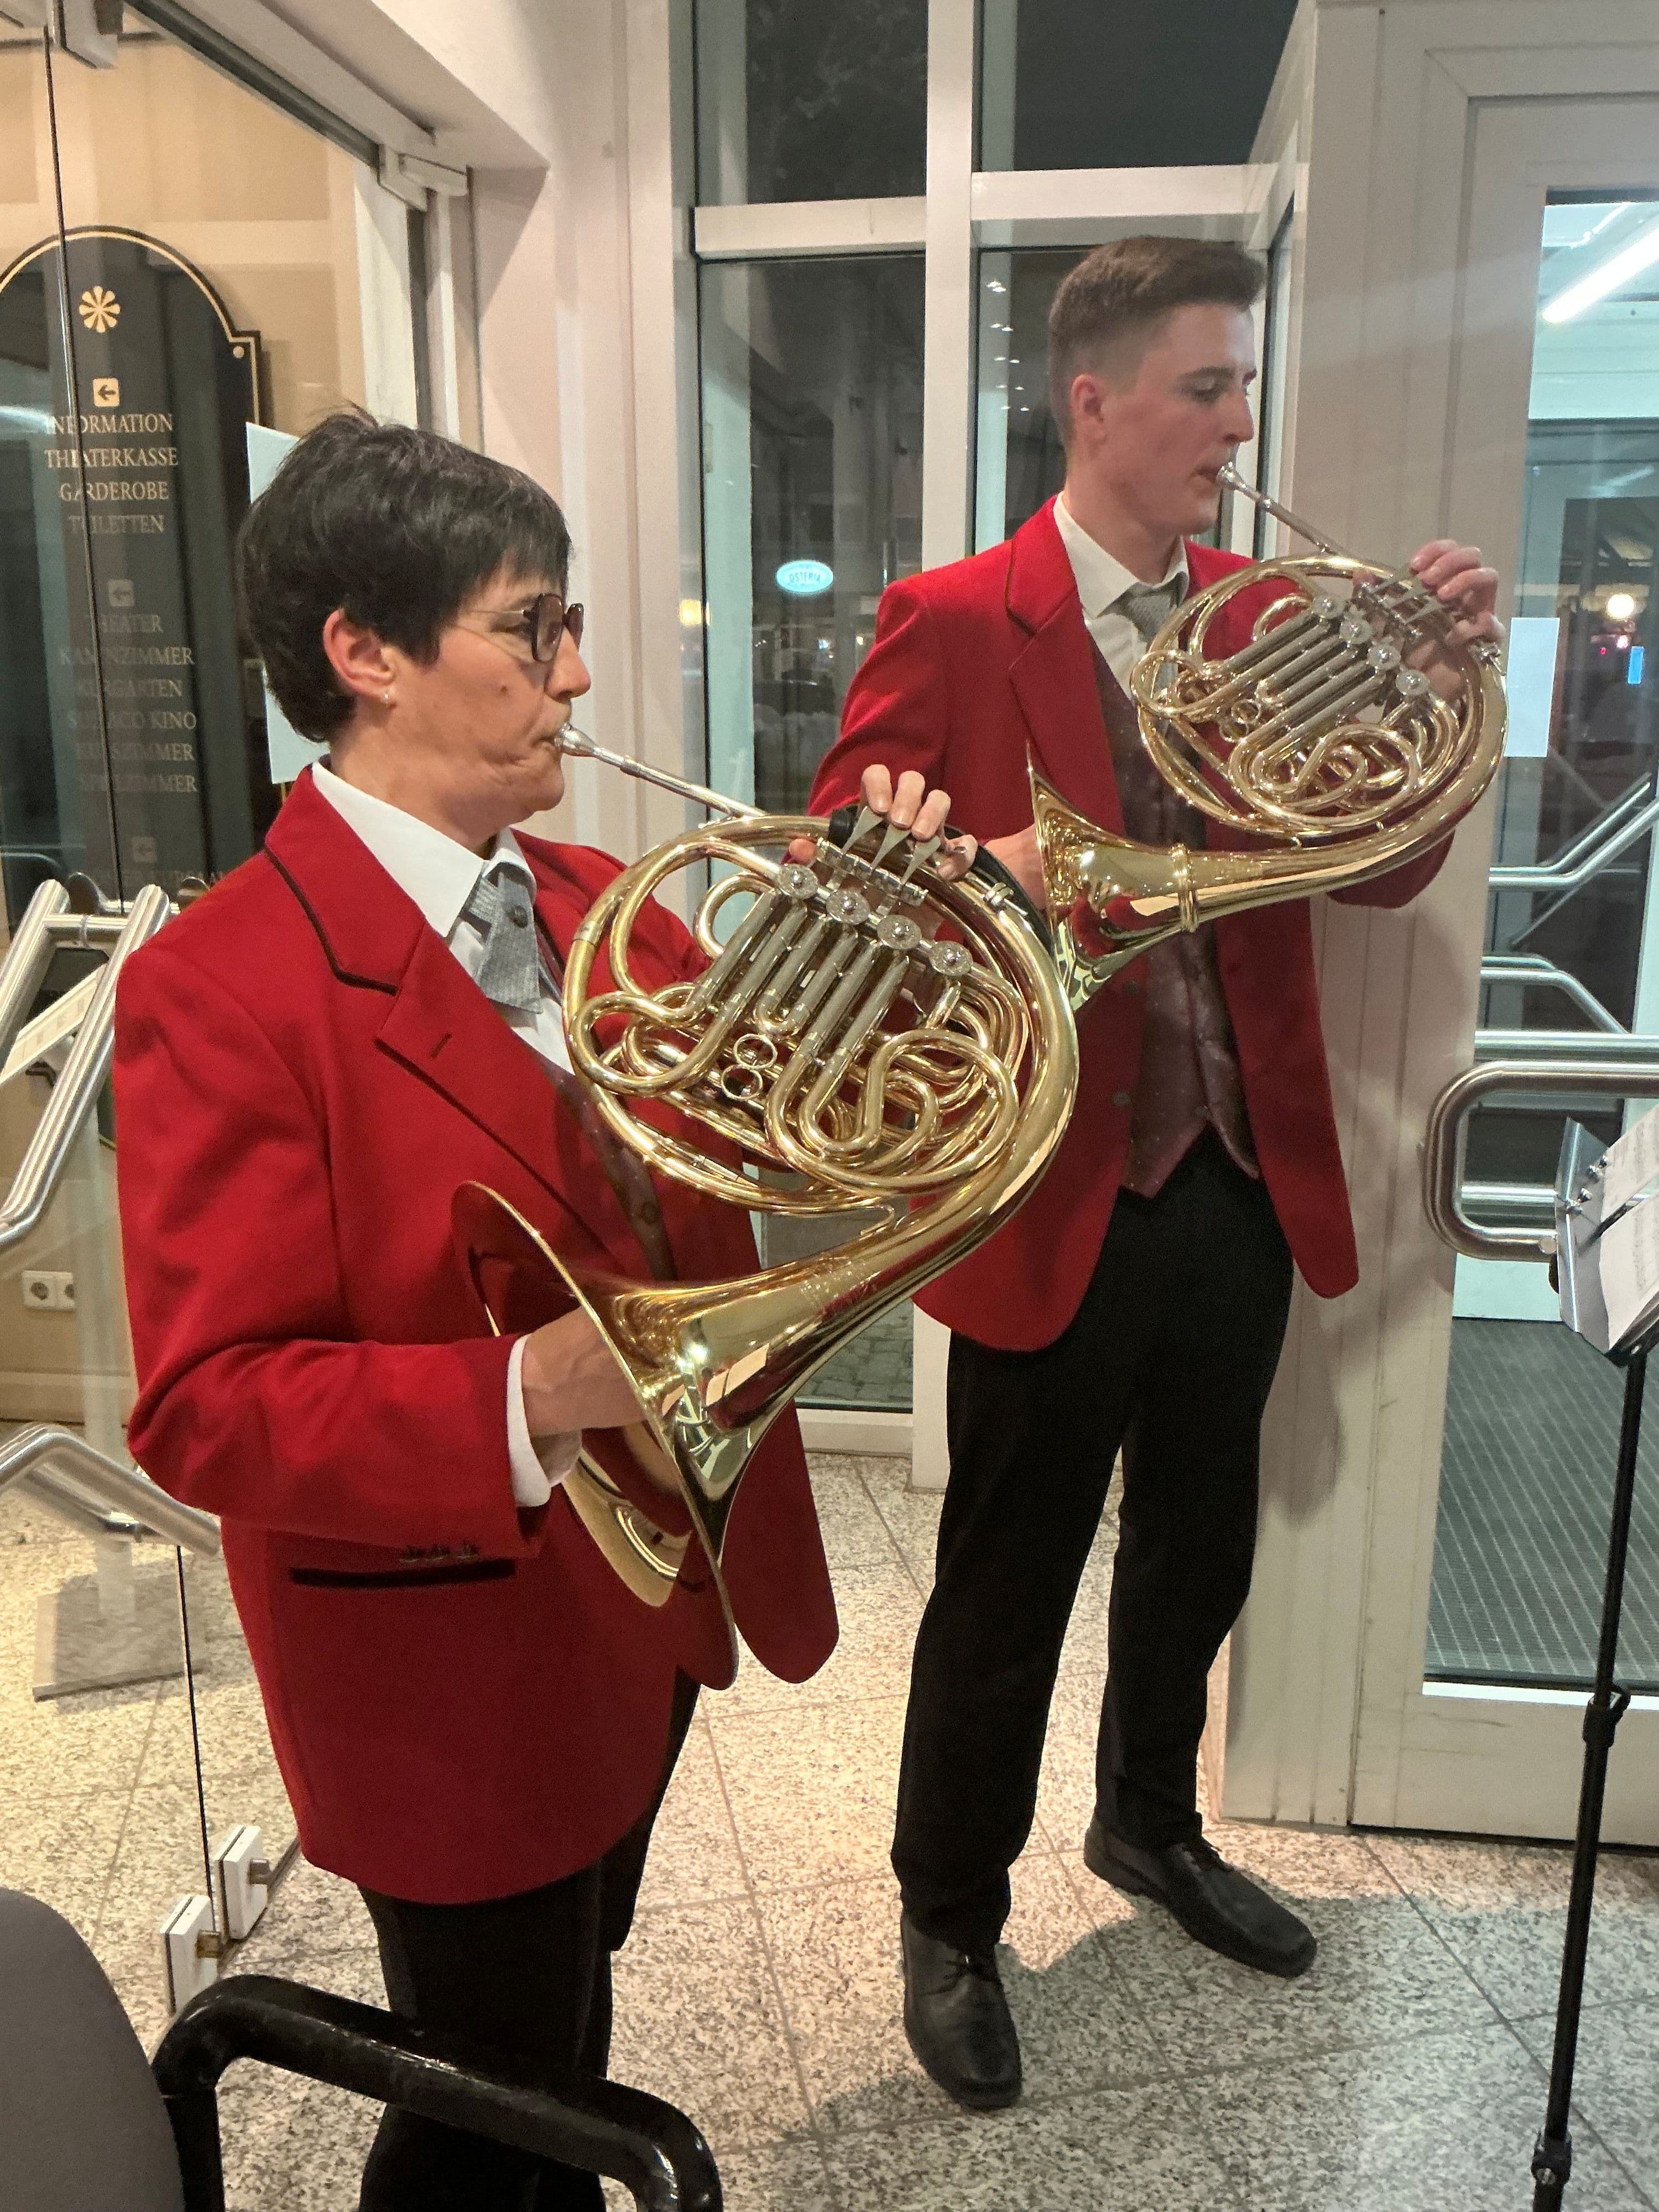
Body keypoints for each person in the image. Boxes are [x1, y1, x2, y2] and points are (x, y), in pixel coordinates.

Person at [113, 412, 847, 2211]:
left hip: (643, 1602)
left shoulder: (606, 908)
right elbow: (209, 1406)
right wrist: (536, 1389)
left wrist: (907, 918)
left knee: (553, 2022)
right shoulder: (222, 985)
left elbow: (808, 1123)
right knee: (497, 2106)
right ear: (364, 653)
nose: (579, 674)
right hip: (447, 1657)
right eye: (534, 629)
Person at [808, 236, 1503, 2111]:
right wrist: (986, 879)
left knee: (1194, 1544)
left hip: (1236, 1174)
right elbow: (842, 891)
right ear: (1094, 401)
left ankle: (1149, 1824)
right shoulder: (954, 618)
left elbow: (1375, 872)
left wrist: (1432, 687)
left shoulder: (1274, 620)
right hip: (1053, 1178)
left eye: (1243, 386)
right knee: (1004, 1576)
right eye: (1207, 388)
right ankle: (949, 1911)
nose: (1239, 421)